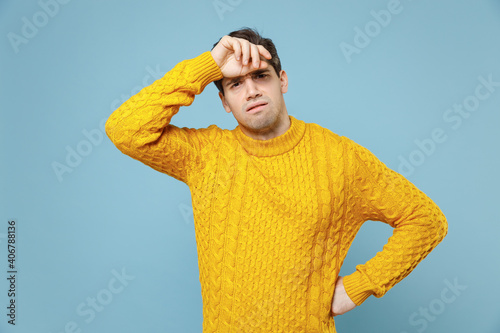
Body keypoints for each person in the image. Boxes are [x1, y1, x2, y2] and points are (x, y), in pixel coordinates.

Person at [105, 27, 447, 332]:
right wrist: (208, 65)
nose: (251, 91)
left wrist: (359, 287)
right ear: (224, 102)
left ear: (282, 80)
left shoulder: (339, 158)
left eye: (260, 76)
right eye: (236, 84)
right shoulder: (206, 155)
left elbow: (426, 221)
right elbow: (125, 130)